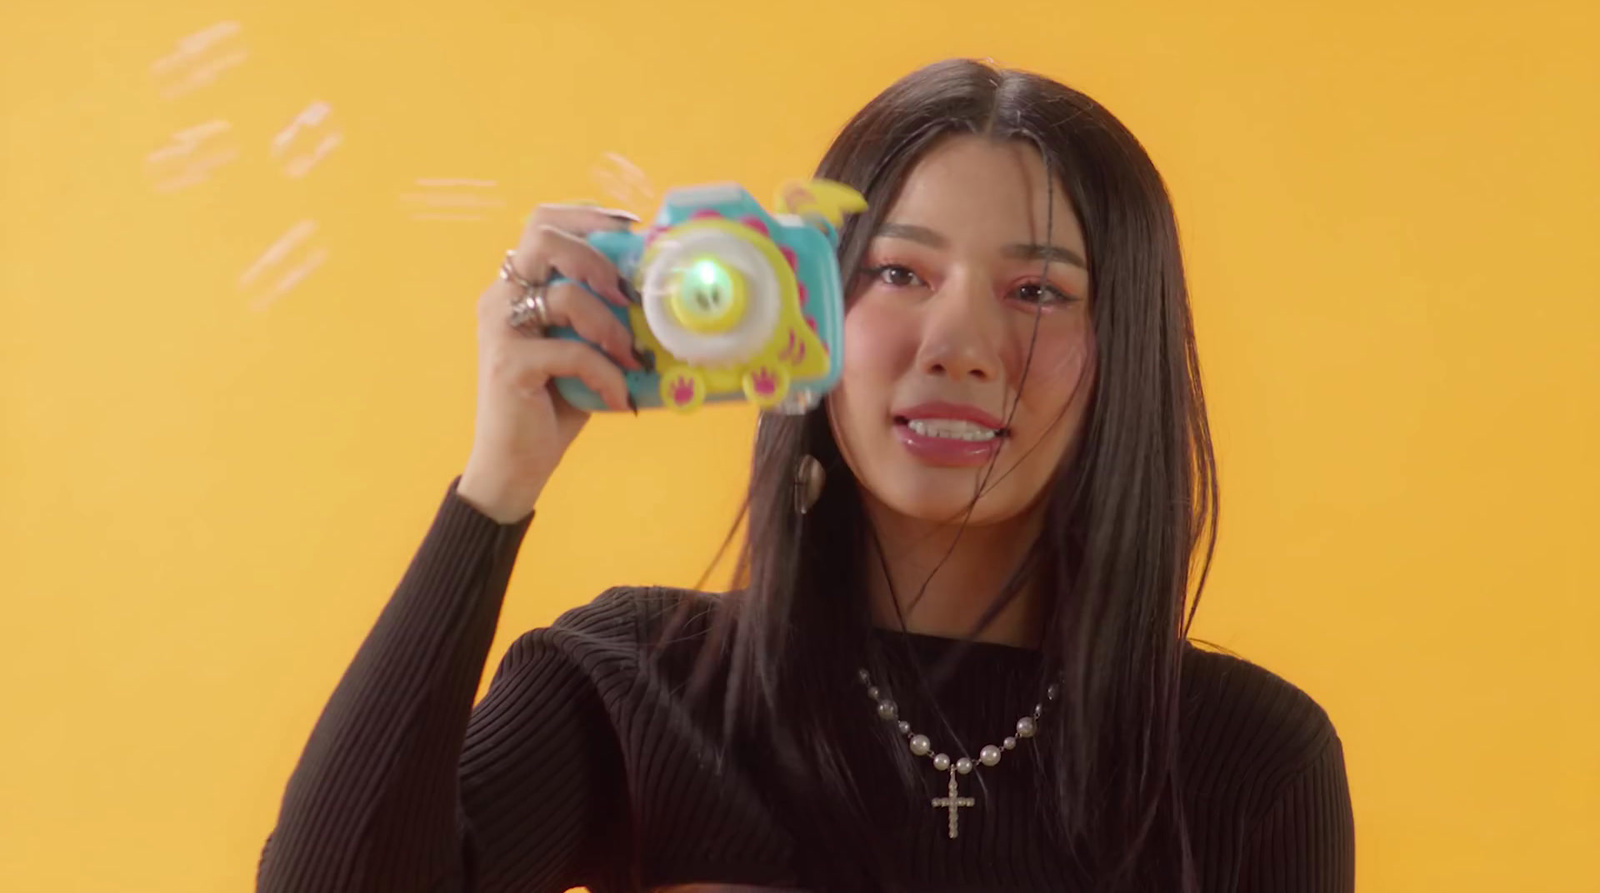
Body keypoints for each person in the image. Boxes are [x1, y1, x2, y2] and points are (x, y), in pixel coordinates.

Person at [255, 58, 1354, 893]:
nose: (956, 343)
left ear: (1130, 351)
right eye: (895, 271)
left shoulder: (1250, 762)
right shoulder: (631, 683)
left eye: (1037, 292)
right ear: (800, 311)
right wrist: (498, 480)